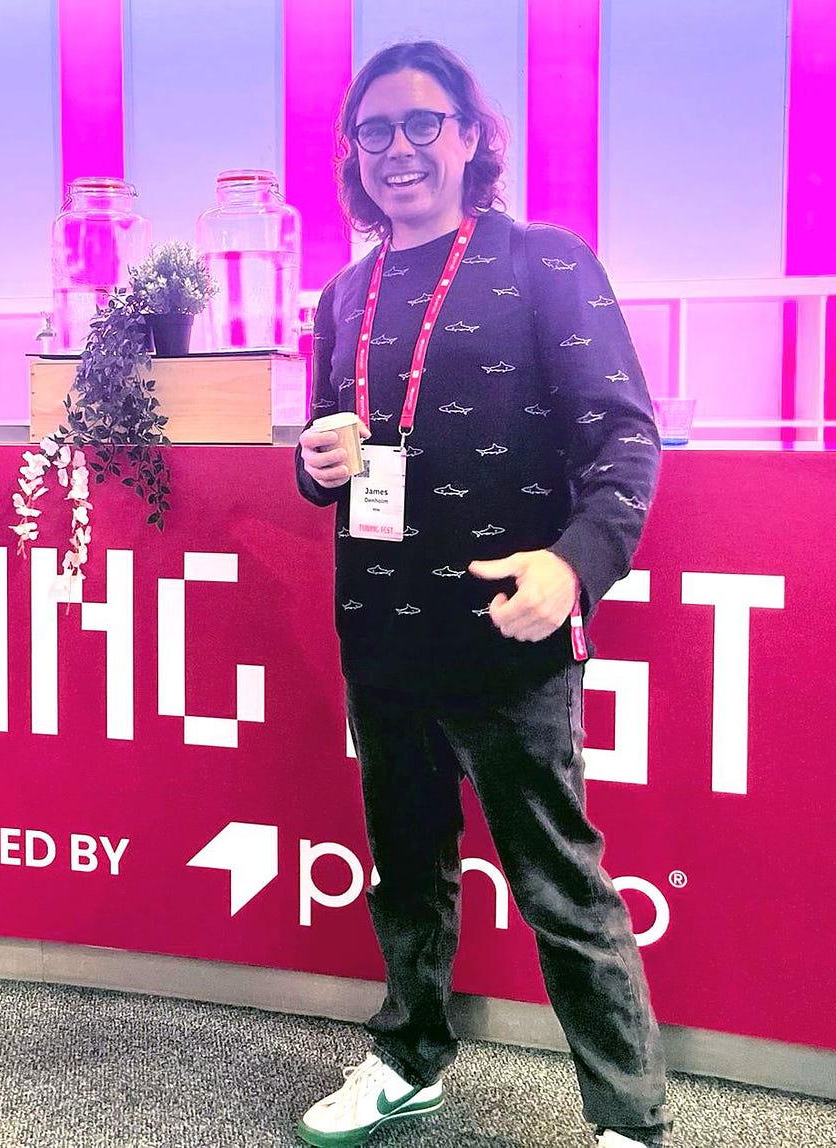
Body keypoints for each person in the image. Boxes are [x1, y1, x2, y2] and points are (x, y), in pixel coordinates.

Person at [292, 41, 669, 1148]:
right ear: (353, 155)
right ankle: (409, 1057)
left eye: (421, 124)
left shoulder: (543, 263)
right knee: (405, 872)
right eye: (374, 132)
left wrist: (573, 564)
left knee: (559, 883)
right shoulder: (343, 292)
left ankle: (628, 1120)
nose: (397, 150)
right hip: (380, 630)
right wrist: (313, 462)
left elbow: (622, 437)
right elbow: (333, 452)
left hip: (508, 630)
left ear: (469, 136)